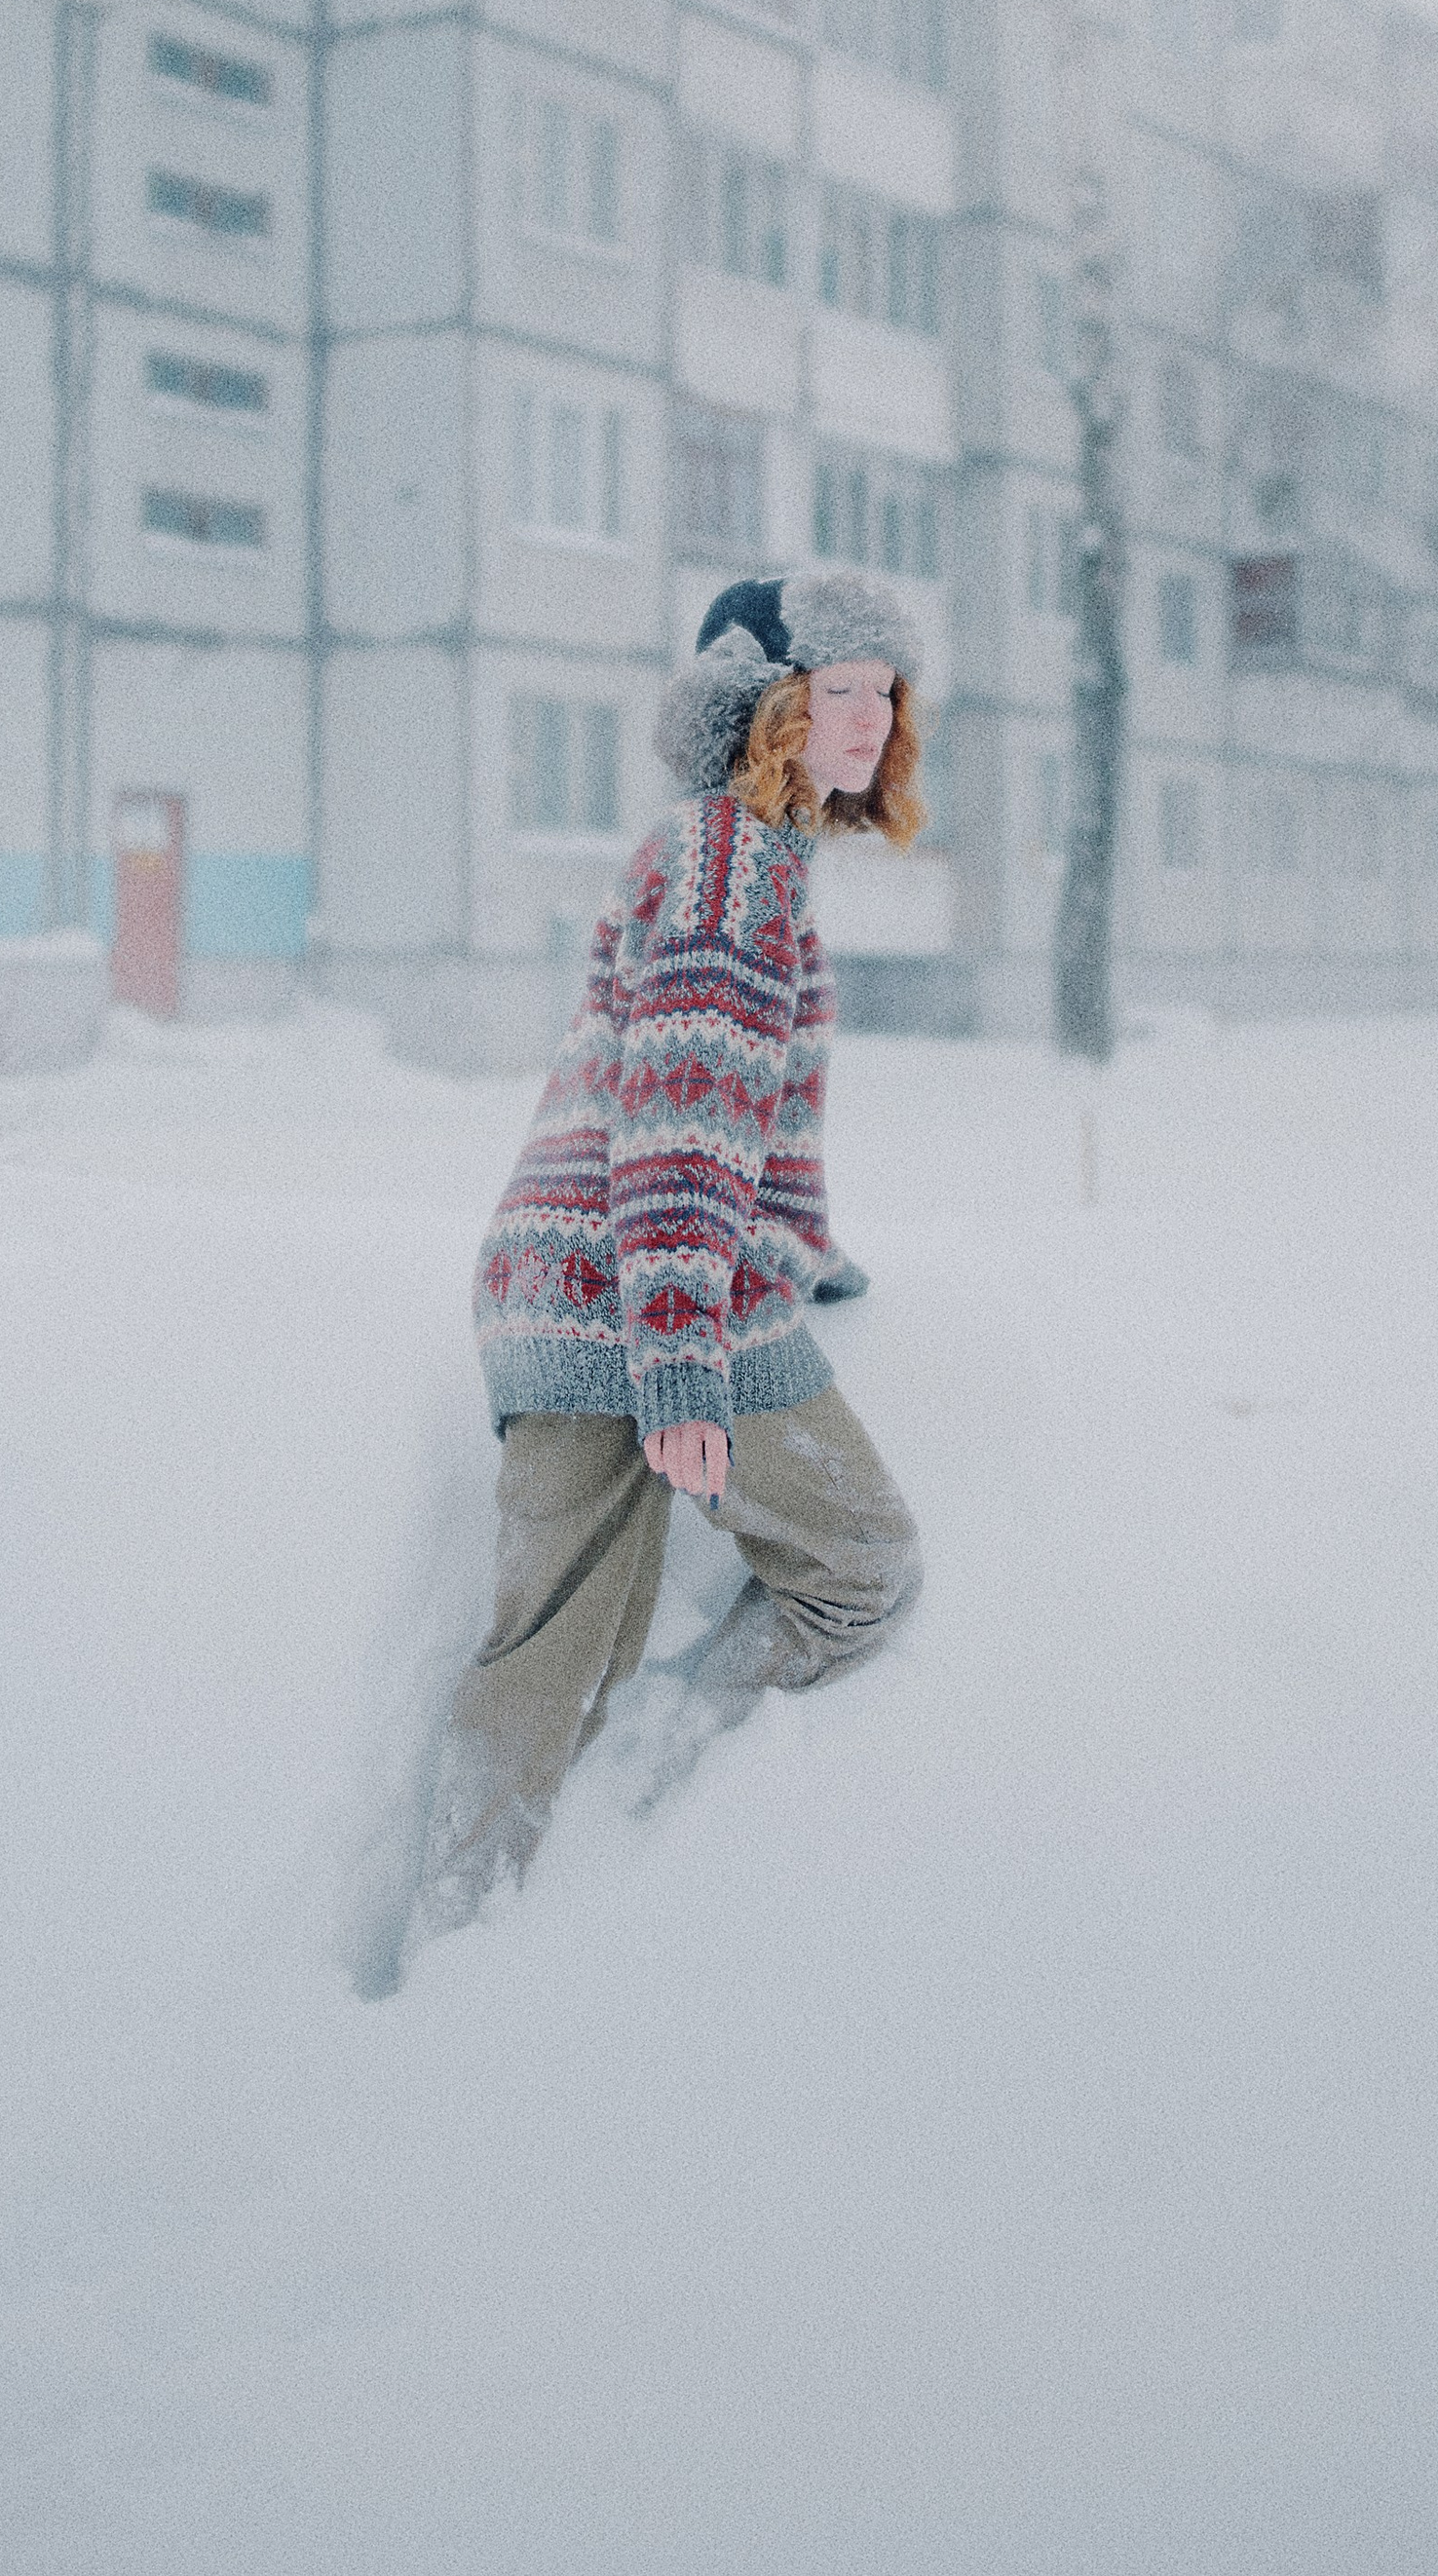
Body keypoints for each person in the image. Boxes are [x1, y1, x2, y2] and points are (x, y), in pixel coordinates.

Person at [407, 566, 928, 1945]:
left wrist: (802, 1250)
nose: (872, 716)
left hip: (617, 1283)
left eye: (887, 689)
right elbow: (682, 1117)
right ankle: (462, 1944)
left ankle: (552, 1861)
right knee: (844, 1569)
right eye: (840, 688)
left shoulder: (751, 856)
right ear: (766, 704)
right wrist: (687, 1366)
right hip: (628, 1297)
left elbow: (748, 1108)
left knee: (564, 1657)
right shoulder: (726, 858)